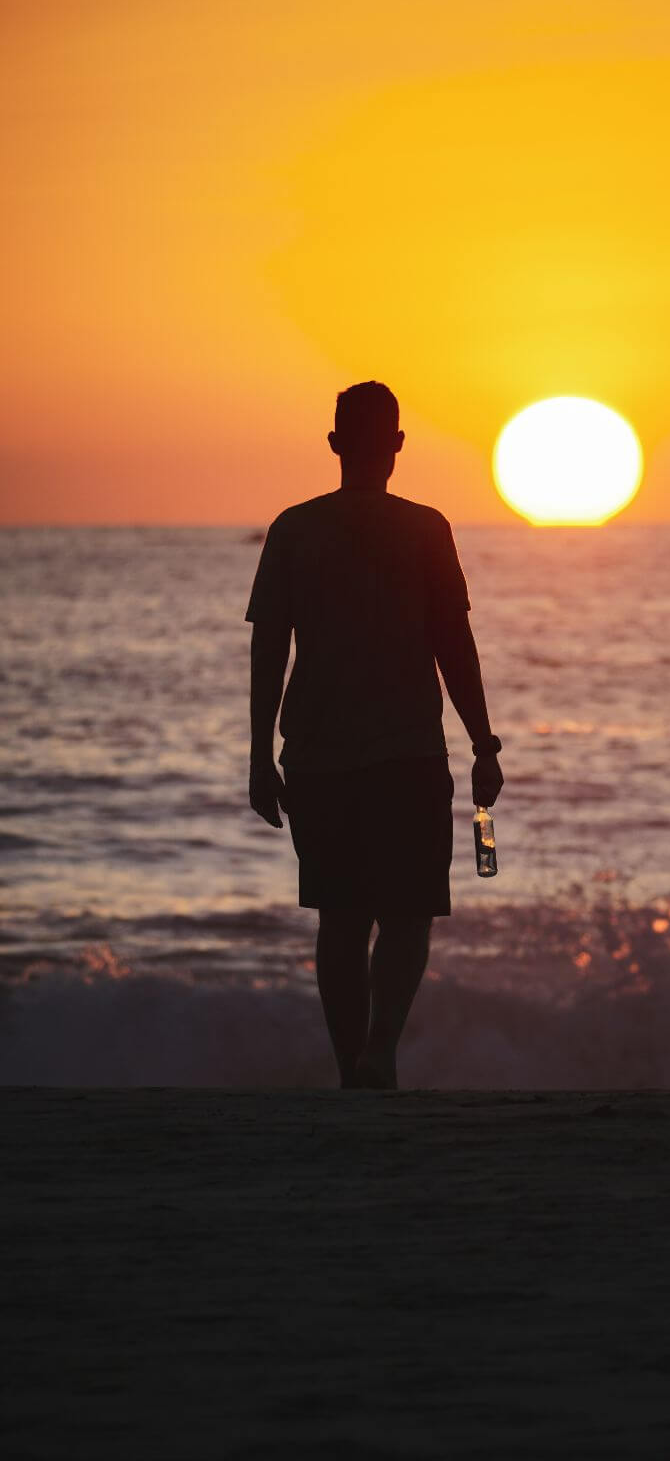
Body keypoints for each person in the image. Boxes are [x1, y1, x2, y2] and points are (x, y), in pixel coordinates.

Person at [245, 381, 503, 1090]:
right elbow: (455, 643)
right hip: (411, 754)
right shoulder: (426, 528)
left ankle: (348, 1066)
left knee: (340, 915)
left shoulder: (294, 528)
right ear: (395, 445)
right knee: (408, 913)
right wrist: (484, 743)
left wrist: (258, 757)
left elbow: (270, 650)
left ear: (334, 443)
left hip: (320, 756)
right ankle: (379, 1052)